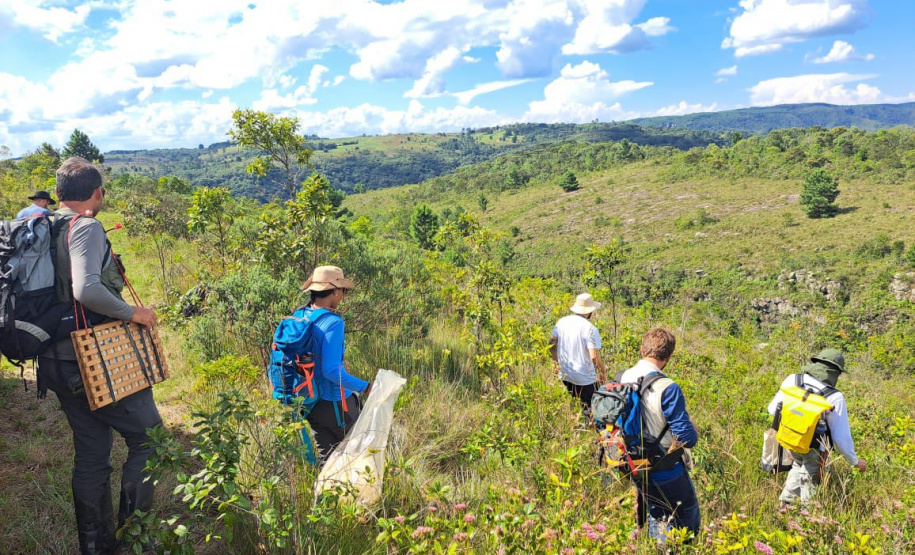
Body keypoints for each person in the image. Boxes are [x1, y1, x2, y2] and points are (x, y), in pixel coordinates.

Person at [37, 157, 161, 555]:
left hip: (54, 358)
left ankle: (95, 545)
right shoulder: (86, 225)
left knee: (91, 453)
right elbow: (86, 290)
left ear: (56, 194)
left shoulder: (42, 224)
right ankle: (134, 540)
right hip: (93, 358)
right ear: (97, 194)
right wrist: (135, 313)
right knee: (152, 440)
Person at [619, 328, 700, 540]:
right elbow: (686, 438)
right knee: (685, 515)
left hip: (633, 463)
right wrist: (694, 429)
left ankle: (658, 546)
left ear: (642, 349)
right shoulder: (668, 387)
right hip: (664, 466)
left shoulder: (622, 377)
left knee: (657, 513)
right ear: (668, 357)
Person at [767, 348, 866, 505]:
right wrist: (855, 461)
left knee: (797, 466)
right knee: (811, 482)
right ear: (836, 372)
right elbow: (841, 437)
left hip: (789, 439)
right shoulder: (834, 396)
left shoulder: (793, 379)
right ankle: (806, 518)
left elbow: (772, 409)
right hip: (814, 448)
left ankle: (785, 508)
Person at [301, 265, 372, 463]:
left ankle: (324, 494)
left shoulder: (300, 316)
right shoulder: (333, 322)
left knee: (327, 456)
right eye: (343, 290)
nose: (343, 295)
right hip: (335, 403)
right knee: (359, 454)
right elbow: (331, 371)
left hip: (309, 401)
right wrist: (365, 387)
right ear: (334, 290)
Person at [549, 292, 607, 414]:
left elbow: (551, 343)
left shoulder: (562, 322)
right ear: (589, 311)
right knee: (592, 411)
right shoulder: (590, 328)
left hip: (566, 374)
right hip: (585, 378)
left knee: (574, 406)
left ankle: (575, 427)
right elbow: (594, 357)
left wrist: (555, 364)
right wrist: (603, 373)